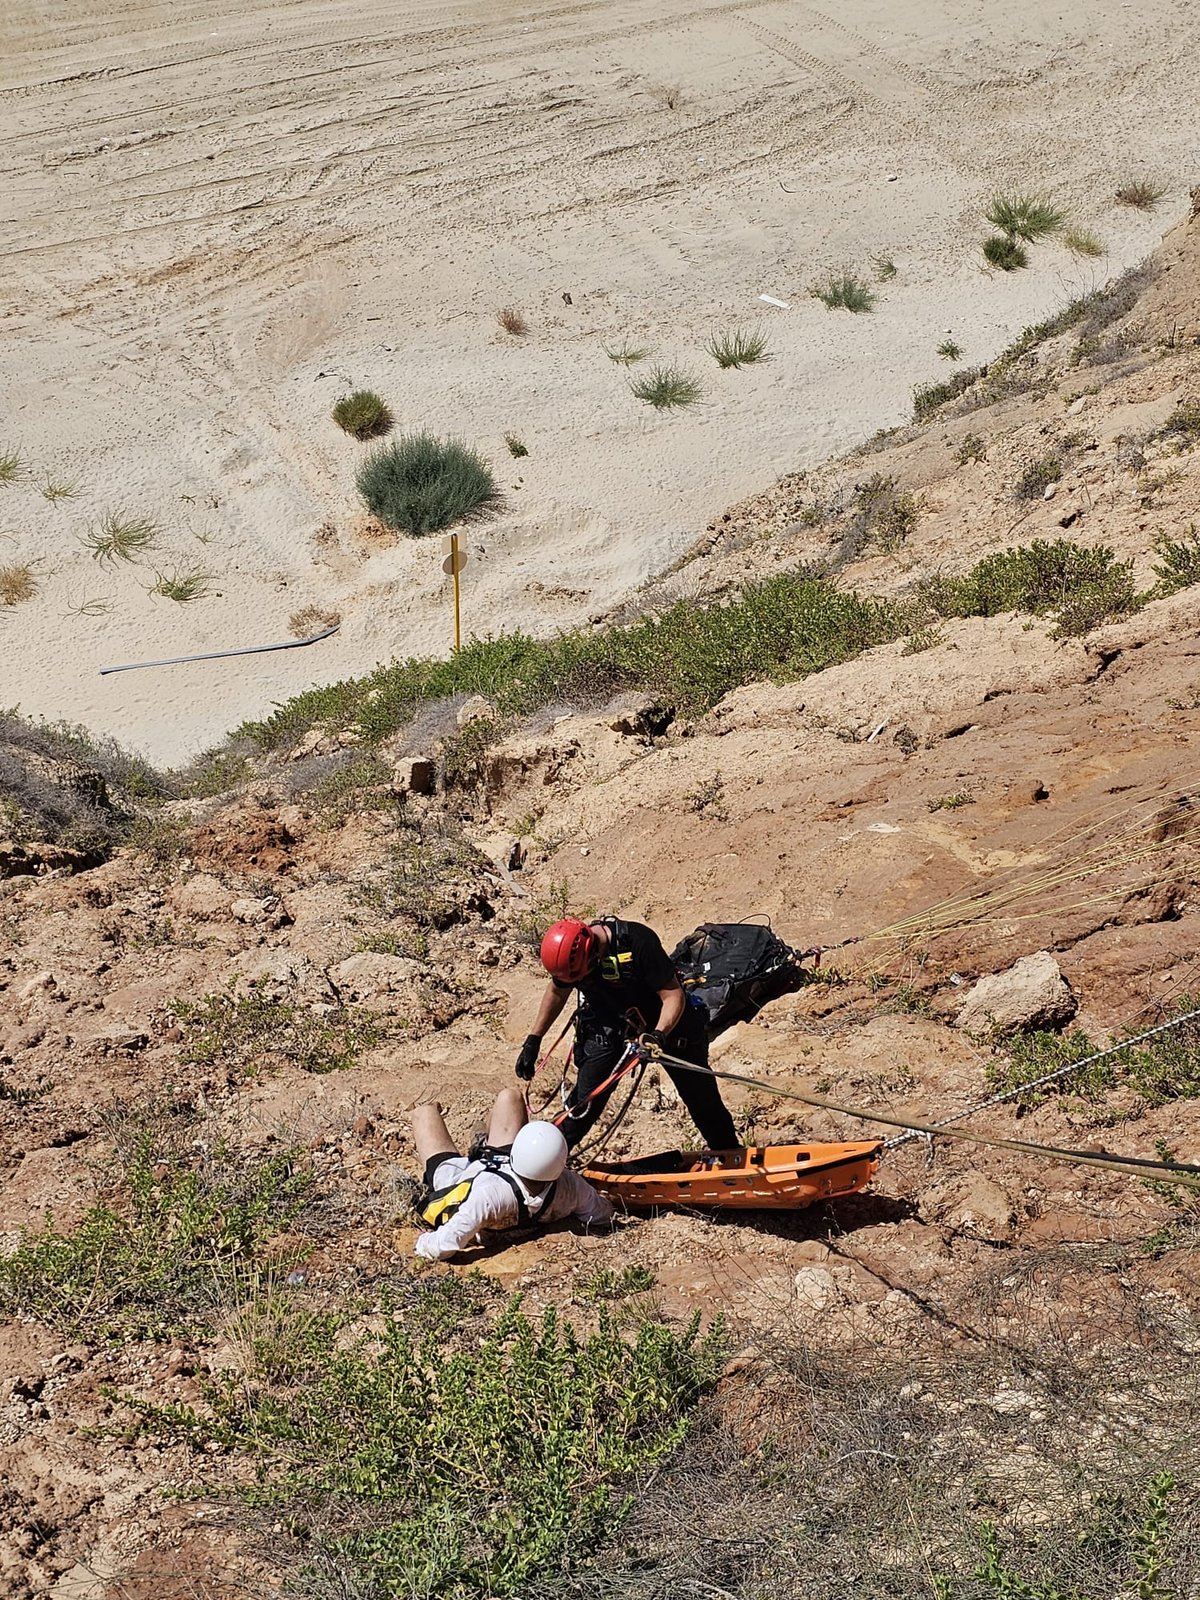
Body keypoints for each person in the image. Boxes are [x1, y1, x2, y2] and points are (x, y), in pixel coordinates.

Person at [516, 916, 739, 1151]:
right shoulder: (572, 963)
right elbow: (557, 992)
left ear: (592, 953)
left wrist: (658, 1035)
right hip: (611, 1027)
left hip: (670, 1028)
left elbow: (673, 995)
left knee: (703, 1101)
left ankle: (729, 1154)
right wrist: (534, 1039)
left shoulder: (638, 943)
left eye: (580, 977)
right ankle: (544, 1162)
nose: (579, 981)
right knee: (582, 1107)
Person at [411, 1086, 613, 1260]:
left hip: (464, 1180)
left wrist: (421, 1242)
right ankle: (482, 1143)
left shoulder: (489, 1197)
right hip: (502, 1169)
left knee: (424, 1114)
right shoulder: (570, 1185)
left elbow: (442, 1245)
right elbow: (601, 1213)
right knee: (511, 1097)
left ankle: (473, 1139)